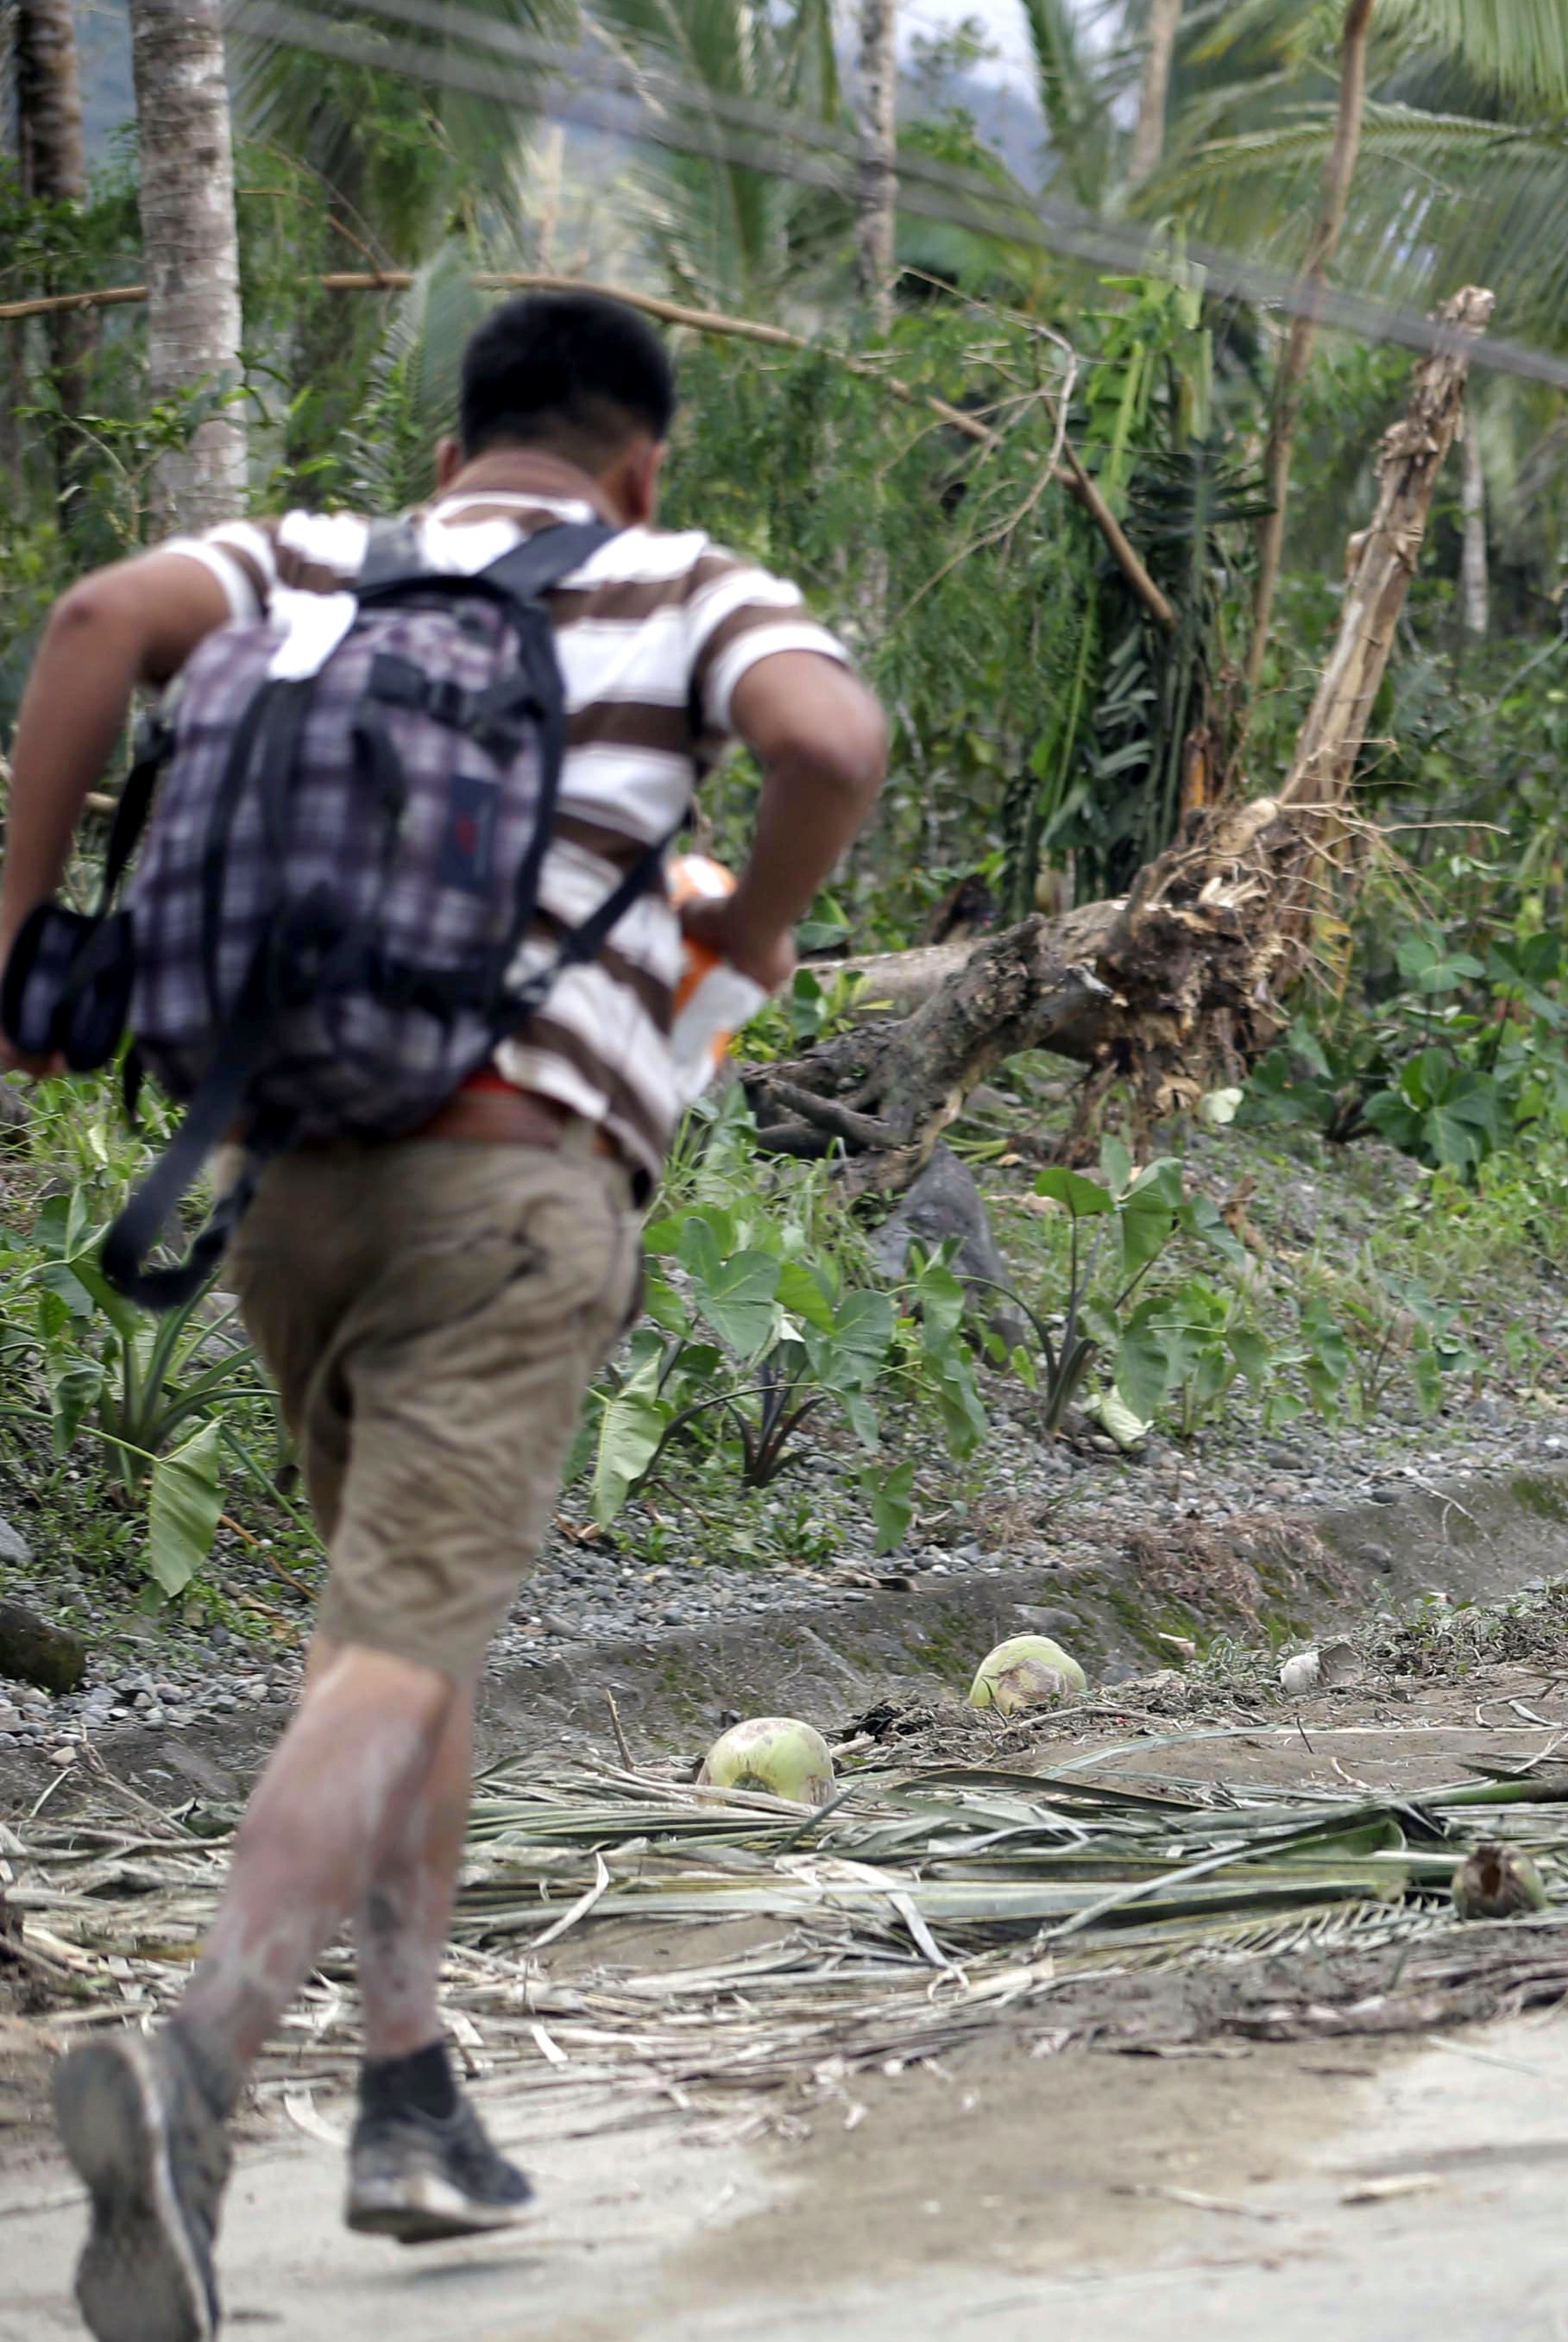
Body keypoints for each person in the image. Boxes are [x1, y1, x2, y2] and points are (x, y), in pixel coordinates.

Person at [3, 291, 889, 2339]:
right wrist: (747, 929)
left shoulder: (309, 560)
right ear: (637, 462)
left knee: (395, 1642)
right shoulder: (677, 578)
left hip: (281, 1187)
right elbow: (827, 740)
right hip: (511, 1190)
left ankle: (409, 2090)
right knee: (401, 1641)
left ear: (451, 454)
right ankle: (198, 2068)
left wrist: (20, 945)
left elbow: (81, 633)